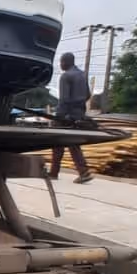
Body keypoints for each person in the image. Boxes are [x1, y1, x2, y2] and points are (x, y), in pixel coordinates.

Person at [50, 52, 93, 183]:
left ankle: (82, 172)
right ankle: (54, 172)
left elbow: (64, 99)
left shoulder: (66, 76)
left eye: (61, 62)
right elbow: (87, 95)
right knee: (67, 143)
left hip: (66, 115)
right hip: (79, 113)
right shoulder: (82, 74)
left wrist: (58, 117)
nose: (60, 65)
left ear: (66, 62)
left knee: (63, 143)